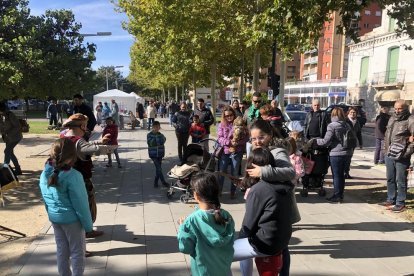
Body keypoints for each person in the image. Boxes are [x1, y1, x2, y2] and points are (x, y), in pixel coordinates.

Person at [245, 120, 300, 276]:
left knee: (282, 247)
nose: (257, 141)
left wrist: (263, 172)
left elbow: (290, 172)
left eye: (261, 137)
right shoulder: (257, 149)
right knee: (278, 246)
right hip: (265, 204)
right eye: (253, 138)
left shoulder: (277, 151)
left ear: (269, 135)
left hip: (279, 206)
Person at [234, 147, 294, 276]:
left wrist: (235, 241)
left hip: (265, 242)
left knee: (220, 254)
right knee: (242, 246)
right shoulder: (285, 184)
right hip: (282, 240)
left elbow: (248, 225)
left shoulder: (259, 189)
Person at [38, 138, 93, 276]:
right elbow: (81, 203)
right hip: (72, 220)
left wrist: (50, 212)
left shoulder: (45, 173)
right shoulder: (73, 176)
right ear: (72, 156)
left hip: (55, 218)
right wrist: (88, 225)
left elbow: (45, 198)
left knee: (62, 250)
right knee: (77, 252)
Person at [61, 113, 112, 238]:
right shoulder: (78, 141)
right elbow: (87, 148)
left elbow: (84, 145)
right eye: (85, 124)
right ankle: (86, 231)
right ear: (82, 126)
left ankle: (81, 233)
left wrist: (99, 141)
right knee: (85, 206)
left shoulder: (63, 135)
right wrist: (107, 148)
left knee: (73, 205)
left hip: (65, 177)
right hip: (80, 180)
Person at [177, 172, 234, 276]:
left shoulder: (192, 220)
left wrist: (182, 228)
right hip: (223, 269)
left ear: (196, 195)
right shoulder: (226, 216)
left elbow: (185, 248)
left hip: (203, 271)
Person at [309, 107, 351, 203]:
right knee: (342, 176)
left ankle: (337, 196)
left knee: (336, 176)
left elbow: (325, 141)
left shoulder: (332, 126)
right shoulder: (346, 125)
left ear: (332, 115)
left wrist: (315, 141)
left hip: (336, 153)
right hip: (347, 153)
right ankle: (340, 194)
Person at [380, 99, 414, 213]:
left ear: (405, 108)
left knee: (401, 180)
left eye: (400, 108)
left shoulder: (411, 120)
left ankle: (400, 202)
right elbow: (387, 134)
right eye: (395, 108)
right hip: (389, 154)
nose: (397, 111)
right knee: (390, 178)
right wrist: (385, 150)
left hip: (402, 156)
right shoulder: (392, 118)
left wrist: (406, 153)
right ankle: (391, 198)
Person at [217, 106, 248, 199]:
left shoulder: (240, 124)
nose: (229, 117)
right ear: (224, 116)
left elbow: (247, 138)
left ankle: (232, 192)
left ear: (234, 115)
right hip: (225, 152)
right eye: (227, 116)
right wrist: (229, 142)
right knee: (222, 172)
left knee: (234, 173)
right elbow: (219, 138)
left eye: (231, 115)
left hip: (237, 152)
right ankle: (219, 191)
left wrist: (238, 142)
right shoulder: (222, 125)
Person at [0, 102, 23, 175]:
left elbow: (18, 126)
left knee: (7, 151)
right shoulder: (1, 116)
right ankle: (18, 169)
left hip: (15, 137)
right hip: (8, 138)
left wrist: (8, 134)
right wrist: (3, 134)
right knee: (10, 152)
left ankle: (6, 170)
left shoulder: (10, 114)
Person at [147, 121, 168, 188]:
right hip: (153, 154)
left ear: (159, 127)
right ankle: (163, 182)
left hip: (160, 154)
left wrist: (157, 139)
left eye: (158, 127)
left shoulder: (161, 135)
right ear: (152, 127)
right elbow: (150, 143)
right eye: (155, 127)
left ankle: (156, 182)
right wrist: (156, 139)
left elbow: (163, 141)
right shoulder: (149, 135)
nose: (156, 128)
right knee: (159, 168)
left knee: (158, 169)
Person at [344, 107, 363, 179]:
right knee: (345, 158)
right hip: (345, 143)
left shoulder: (357, 122)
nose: (352, 114)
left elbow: (359, 133)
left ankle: (346, 172)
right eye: (351, 112)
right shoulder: (345, 121)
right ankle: (344, 172)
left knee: (349, 158)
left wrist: (360, 143)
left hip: (353, 143)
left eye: (354, 112)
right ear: (348, 113)